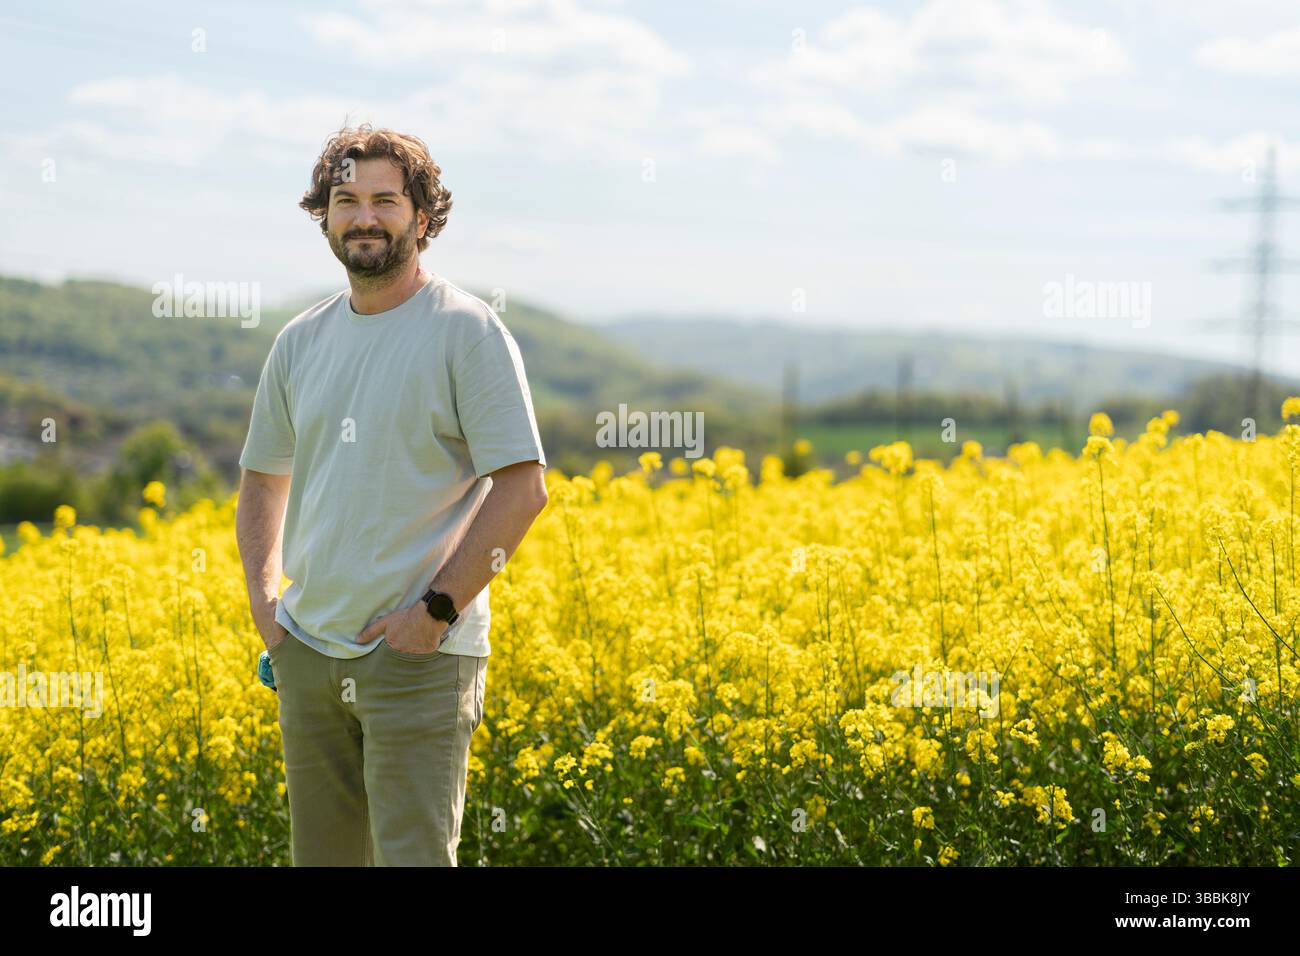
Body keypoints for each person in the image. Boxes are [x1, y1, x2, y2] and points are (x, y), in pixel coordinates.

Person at [235, 123, 548, 866]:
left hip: (418, 659)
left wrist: (434, 615)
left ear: (423, 217)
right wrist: (264, 603)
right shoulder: (299, 341)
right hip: (307, 651)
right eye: (346, 200)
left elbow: (524, 490)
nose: (364, 217)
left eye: (385, 200)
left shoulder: (467, 332)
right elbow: (261, 477)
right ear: (324, 215)